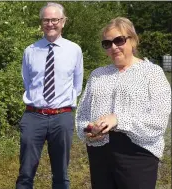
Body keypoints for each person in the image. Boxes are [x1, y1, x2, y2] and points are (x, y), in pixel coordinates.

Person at [75, 17, 171, 189]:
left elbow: (159, 120)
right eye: (107, 43)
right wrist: (90, 129)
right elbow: (82, 114)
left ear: (132, 40)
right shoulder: (97, 75)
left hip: (137, 153)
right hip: (99, 152)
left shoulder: (152, 73)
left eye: (119, 40)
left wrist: (118, 119)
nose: (113, 47)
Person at [16, 2, 83, 189]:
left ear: (63, 22)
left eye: (55, 19)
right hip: (33, 116)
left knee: (61, 172)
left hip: (62, 117)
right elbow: (27, 82)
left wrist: (61, 105)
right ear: (41, 23)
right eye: (46, 20)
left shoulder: (74, 50)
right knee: (25, 172)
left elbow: (77, 85)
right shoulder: (30, 51)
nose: (50, 23)